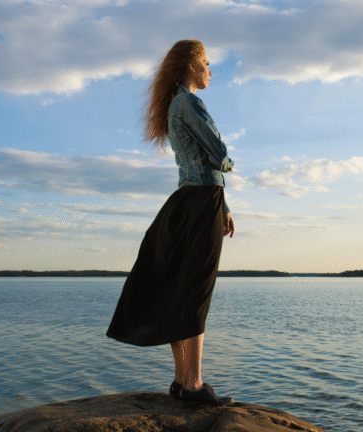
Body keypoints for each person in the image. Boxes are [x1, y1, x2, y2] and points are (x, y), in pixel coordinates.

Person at [106, 39, 235, 405]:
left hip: (187, 201)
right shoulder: (190, 102)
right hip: (200, 202)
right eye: (208, 63)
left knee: (183, 289)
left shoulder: (174, 105)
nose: (211, 70)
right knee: (195, 293)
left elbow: (196, 165)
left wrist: (223, 204)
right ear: (192, 65)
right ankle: (193, 384)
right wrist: (227, 166)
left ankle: (181, 381)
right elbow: (219, 154)